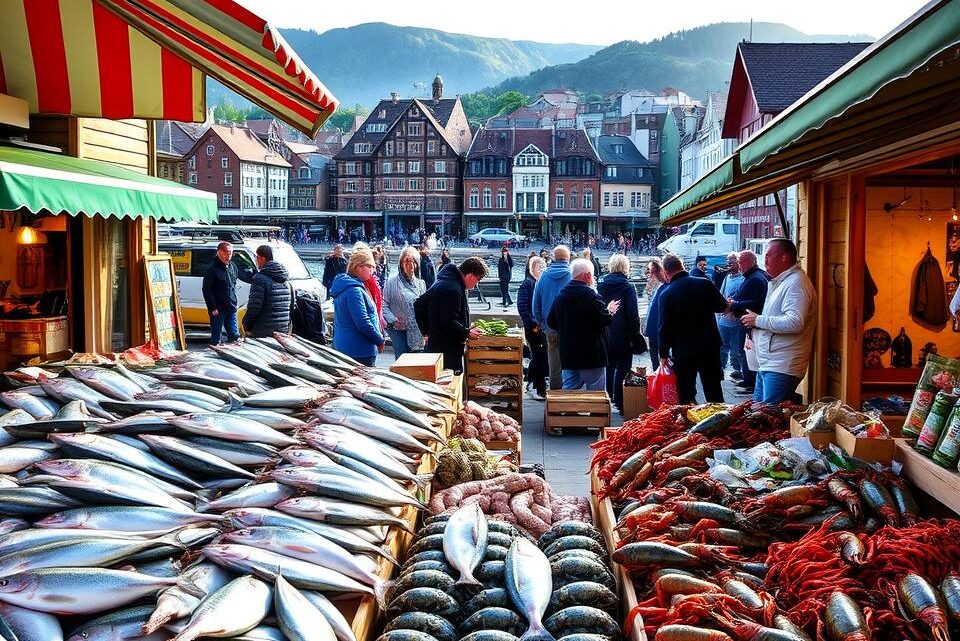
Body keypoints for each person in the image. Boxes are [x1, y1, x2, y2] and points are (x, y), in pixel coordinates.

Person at [741, 238, 817, 404]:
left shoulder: (796, 282)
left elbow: (795, 322)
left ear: (784, 258)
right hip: (769, 364)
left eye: (768, 255)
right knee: (758, 414)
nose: (765, 260)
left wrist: (758, 320)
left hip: (782, 366)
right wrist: (756, 321)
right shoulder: (782, 282)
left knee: (770, 415)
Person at [657, 254, 729, 404]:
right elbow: (722, 306)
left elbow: (665, 327)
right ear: (682, 266)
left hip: (683, 350)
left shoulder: (666, 294)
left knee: (685, 392)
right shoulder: (705, 283)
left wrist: (663, 353)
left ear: (666, 272)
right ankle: (719, 417)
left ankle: (688, 416)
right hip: (709, 346)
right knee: (714, 390)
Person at [547, 259, 619, 391]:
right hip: (592, 356)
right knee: (596, 394)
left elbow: (550, 321)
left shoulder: (561, 296)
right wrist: (610, 311)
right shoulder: (591, 296)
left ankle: (568, 406)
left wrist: (566, 330)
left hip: (568, 354)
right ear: (587, 275)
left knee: (569, 393)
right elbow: (605, 320)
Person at [421, 257, 488, 373]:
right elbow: (448, 321)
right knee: (450, 379)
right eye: (478, 279)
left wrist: (426, 332)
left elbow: (419, 304)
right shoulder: (453, 289)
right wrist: (466, 332)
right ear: (470, 276)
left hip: (438, 344)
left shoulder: (445, 281)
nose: (477, 284)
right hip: (447, 348)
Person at [598, 254, 644, 413]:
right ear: (625, 267)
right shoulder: (628, 287)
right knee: (623, 366)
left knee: (609, 366)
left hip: (605, 331)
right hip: (623, 332)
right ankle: (619, 400)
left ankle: (608, 396)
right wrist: (635, 333)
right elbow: (633, 314)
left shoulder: (601, 285)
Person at [330, 245, 384, 366]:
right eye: (369, 266)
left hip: (344, 347)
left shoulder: (344, 286)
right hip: (359, 350)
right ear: (358, 267)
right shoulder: (354, 291)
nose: (372, 270)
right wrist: (379, 339)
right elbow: (363, 322)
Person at [728, 250, 769, 395]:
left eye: (740, 262)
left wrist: (735, 304)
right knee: (746, 350)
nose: (738, 265)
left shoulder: (756, 278)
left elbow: (758, 302)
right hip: (748, 322)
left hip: (753, 322)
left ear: (750, 262)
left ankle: (750, 381)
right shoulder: (752, 276)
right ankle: (748, 379)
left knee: (748, 351)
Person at [532, 245, 573, 390]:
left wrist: (542, 324)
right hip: (570, 329)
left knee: (554, 362)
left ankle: (555, 395)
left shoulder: (543, 276)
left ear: (554, 258)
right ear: (568, 258)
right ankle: (570, 395)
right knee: (570, 362)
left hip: (550, 329)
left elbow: (535, 305)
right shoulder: (572, 275)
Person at [242, 245, 294, 338]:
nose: (256, 260)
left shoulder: (259, 279)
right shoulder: (286, 280)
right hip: (282, 330)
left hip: (262, 331)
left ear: (262, 258)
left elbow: (254, 307)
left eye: (256, 257)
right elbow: (291, 307)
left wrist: (246, 325)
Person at [383, 246, 426, 358]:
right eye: (406, 261)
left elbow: (424, 307)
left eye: (413, 261)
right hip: (398, 329)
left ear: (416, 265)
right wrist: (393, 319)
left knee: (415, 359)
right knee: (402, 359)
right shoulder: (391, 282)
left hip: (416, 329)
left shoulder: (421, 284)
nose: (409, 264)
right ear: (401, 264)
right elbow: (384, 304)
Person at [517, 256, 548, 400]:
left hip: (540, 327)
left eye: (543, 267)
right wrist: (533, 324)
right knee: (538, 356)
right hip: (533, 328)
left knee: (540, 356)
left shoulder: (538, 283)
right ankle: (537, 387)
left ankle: (532, 383)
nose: (542, 269)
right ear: (531, 269)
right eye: (539, 267)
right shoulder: (527, 284)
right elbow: (522, 307)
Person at [201, 241, 240, 345]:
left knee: (235, 337)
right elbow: (207, 290)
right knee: (216, 339)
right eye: (226, 253)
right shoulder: (212, 269)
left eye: (230, 253)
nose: (228, 256)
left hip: (231, 306)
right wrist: (212, 307)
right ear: (219, 253)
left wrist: (234, 300)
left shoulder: (232, 267)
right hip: (218, 309)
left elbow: (233, 284)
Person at [717, 252, 744, 381]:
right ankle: (720, 368)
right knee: (722, 346)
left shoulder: (743, 279)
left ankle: (737, 369)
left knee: (736, 347)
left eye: (733, 262)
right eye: (729, 262)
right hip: (724, 319)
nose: (730, 264)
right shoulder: (727, 277)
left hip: (736, 320)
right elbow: (721, 294)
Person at [643, 258, 666, 366]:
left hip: (659, 325)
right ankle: (657, 370)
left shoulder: (663, 284)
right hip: (653, 324)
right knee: (654, 352)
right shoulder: (654, 282)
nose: (649, 272)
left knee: (660, 352)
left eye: (651, 270)